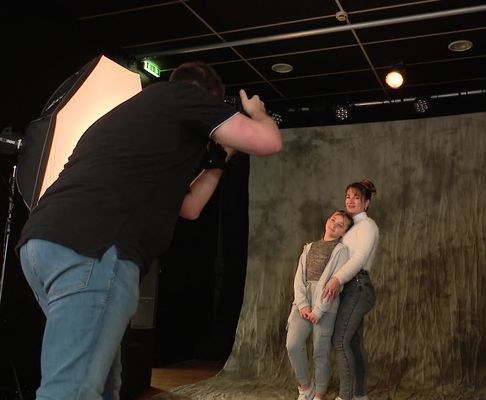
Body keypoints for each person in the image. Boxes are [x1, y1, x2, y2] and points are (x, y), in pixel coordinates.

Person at [15, 61, 282, 400]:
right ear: (208, 96)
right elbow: (268, 141)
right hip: (94, 249)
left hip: (42, 246)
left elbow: (189, 207)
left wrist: (220, 159)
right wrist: (256, 113)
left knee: (104, 383)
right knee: (73, 390)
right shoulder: (184, 95)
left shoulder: (139, 118)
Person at [286, 210, 354, 400]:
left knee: (320, 352)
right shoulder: (309, 248)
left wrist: (318, 310)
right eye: (333, 220)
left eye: (340, 225)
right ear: (327, 220)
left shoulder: (342, 252)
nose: (334, 225)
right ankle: (306, 387)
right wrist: (302, 304)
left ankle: (319, 394)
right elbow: (299, 279)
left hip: (325, 306)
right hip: (302, 303)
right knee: (293, 344)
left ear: (344, 232)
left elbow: (335, 285)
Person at [322, 180, 379, 400]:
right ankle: (360, 396)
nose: (350, 200)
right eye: (348, 196)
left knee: (340, 340)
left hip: (358, 286)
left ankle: (345, 397)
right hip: (350, 287)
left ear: (366, 203)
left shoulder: (367, 226)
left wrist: (337, 279)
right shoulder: (350, 228)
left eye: (356, 197)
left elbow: (359, 258)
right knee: (354, 343)